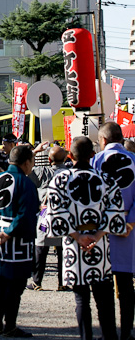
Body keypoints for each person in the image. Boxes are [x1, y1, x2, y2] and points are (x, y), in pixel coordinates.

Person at [45, 135, 126, 340]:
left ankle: (85, 337)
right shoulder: (106, 179)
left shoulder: (60, 180)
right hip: (98, 244)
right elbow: (115, 211)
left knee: (81, 299)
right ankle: (109, 336)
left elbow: (55, 214)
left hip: (74, 244)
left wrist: (77, 236)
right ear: (93, 155)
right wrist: (97, 235)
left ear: (70, 155)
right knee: (105, 297)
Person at [0, 144, 39, 338]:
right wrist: (10, 232)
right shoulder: (25, 183)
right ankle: (10, 325)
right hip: (18, 238)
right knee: (16, 285)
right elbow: (26, 213)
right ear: (26, 162)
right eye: (32, 162)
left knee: (1, 283)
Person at [92, 122, 135, 340]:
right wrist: (129, 223)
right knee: (127, 284)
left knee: (103, 284)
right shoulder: (134, 160)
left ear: (103, 140)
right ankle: (127, 331)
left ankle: (108, 332)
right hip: (129, 229)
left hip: (101, 230)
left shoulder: (95, 161)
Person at [26, 145, 69, 291]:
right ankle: (63, 282)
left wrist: (34, 152)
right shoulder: (70, 173)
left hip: (45, 215)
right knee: (63, 249)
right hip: (65, 216)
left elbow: (27, 172)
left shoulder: (43, 172)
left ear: (49, 159)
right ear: (65, 158)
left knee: (41, 248)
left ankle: (37, 281)